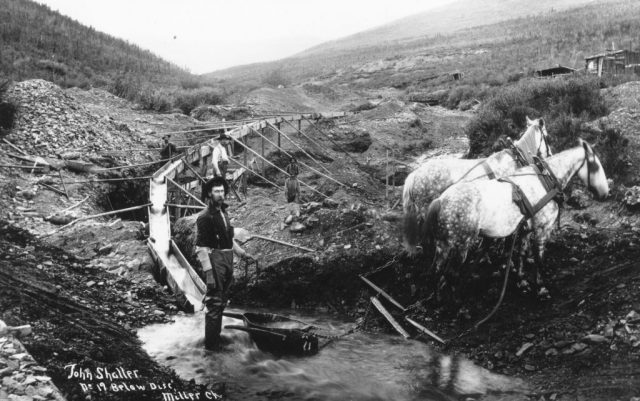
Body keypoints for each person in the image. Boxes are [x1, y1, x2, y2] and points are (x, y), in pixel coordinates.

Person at [195, 176, 255, 350]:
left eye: (222, 191)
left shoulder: (224, 211)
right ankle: (211, 347)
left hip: (228, 259)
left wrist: (241, 253)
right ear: (209, 194)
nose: (220, 194)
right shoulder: (205, 217)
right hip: (215, 260)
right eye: (216, 191)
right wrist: (209, 273)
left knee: (222, 301)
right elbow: (201, 248)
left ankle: (216, 339)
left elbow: (228, 238)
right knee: (214, 302)